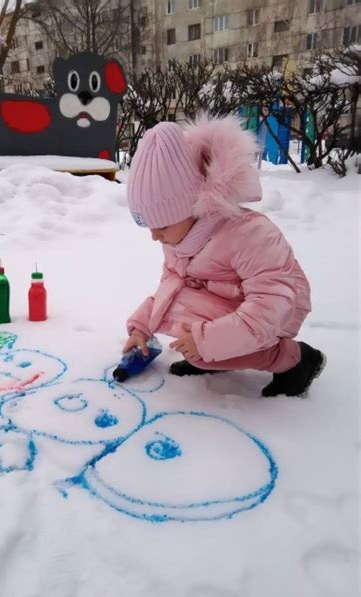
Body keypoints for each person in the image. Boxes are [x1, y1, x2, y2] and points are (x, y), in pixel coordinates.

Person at [122, 115, 326, 397]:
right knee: (179, 312)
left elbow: (272, 304)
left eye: (162, 225)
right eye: (150, 226)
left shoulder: (250, 235)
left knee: (198, 343)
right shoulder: (180, 234)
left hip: (279, 311)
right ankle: (214, 358)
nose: (155, 236)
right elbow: (171, 286)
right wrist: (141, 328)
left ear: (191, 207)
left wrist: (208, 341)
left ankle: (295, 360)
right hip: (228, 301)